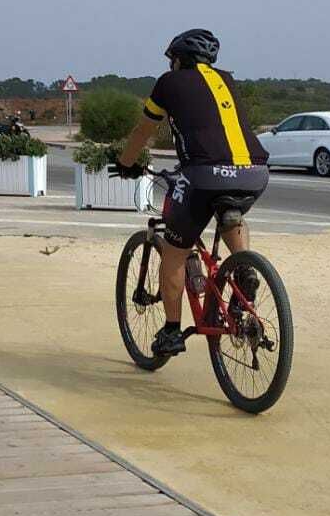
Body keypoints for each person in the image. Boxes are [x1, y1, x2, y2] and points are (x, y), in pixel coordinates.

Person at [111, 28, 269, 359]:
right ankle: (244, 269)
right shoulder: (227, 79)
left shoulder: (168, 83)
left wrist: (126, 163)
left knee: (174, 251)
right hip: (254, 172)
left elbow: (143, 129)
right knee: (230, 213)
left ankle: (171, 331)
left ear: (179, 60)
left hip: (203, 174)